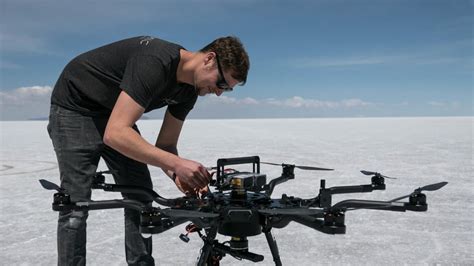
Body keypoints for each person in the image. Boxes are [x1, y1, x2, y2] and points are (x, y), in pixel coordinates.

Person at [47, 35, 250, 265]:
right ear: (209, 59)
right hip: (76, 107)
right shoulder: (156, 61)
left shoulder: (189, 91)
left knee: (141, 195)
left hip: (114, 114)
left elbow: (165, 145)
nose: (220, 92)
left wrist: (177, 174)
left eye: (227, 90)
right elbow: (115, 133)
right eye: (222, 83)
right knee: (75, 204)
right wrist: (176, 164)